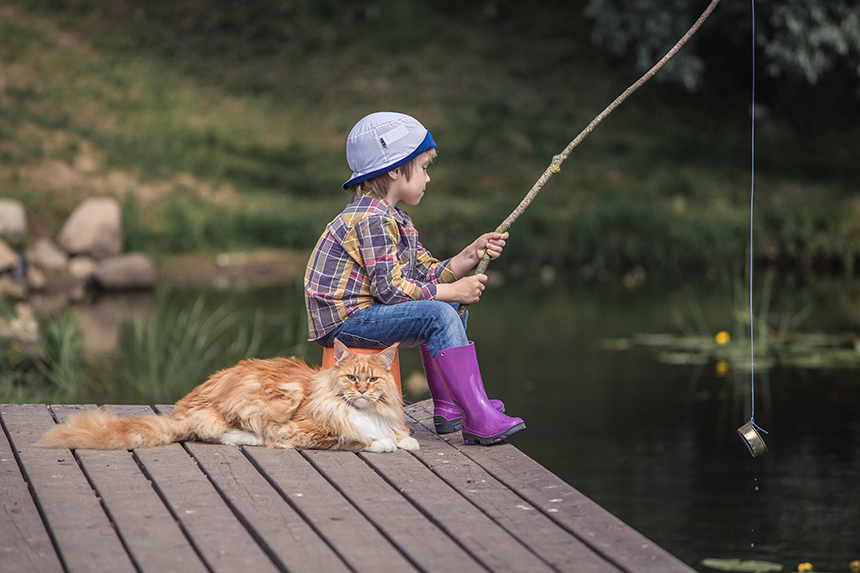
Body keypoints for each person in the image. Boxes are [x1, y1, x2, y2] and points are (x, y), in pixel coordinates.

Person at [304, 111, 525, 445]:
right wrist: (451, 291)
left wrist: (468, 256)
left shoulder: (395, 219)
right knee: (439, 311)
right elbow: (392, 290)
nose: (428, 178)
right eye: (423, 168)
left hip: (366, 314)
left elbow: (424, 274)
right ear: (395, 169)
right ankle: (477, 417)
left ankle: (451, 406)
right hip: (346, 323)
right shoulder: (371, 220)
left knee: (449, 308)